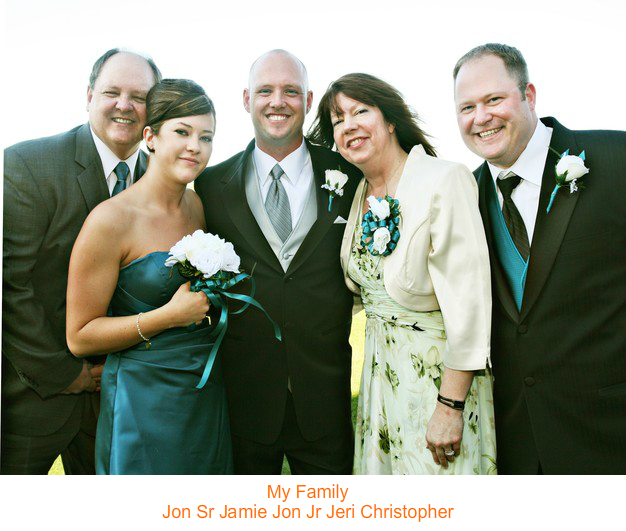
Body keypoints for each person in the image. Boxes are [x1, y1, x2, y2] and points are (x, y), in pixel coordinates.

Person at [309, 73, 497, 474]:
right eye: (338, 119)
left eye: (361, 111)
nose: (349, 125)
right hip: (380, 379)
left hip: (436, 383)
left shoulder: (443, 179)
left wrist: (450, 405)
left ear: (391, 120)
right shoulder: (357, 192)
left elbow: (470, 304)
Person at [453, 43, 626, 474]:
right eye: (467, 107)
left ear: (528, 95)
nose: (481, 117)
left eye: (494, 99)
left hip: (610, 427)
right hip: (520, 439)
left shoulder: (615, 158)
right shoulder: (464, 196)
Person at [195, 50, 361, 474]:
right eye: (265, 91)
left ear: (308, 101)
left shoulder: (351, 174)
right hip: (244, 398)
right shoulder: (211, 186)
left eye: (291, 91)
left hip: (325, 397)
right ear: (246, 99)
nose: (277, 101)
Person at [2, 49, 160, 475]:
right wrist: (65, 374)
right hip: (32, 399)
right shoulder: (26, 165)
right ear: (90, 95)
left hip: (123, 404)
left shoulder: (164, 181)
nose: (125, 105)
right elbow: (10, 286)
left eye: (139, 96)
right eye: (112, 92)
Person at [65, 78, 233, 475]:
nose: (195, 146)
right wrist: (168, 317)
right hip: (142, 399)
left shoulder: (196, 206)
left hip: (203, 391)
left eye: (206, 137)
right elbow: (80, 336)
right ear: (150, 137)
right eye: (182, 132)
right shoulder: (111, 220)